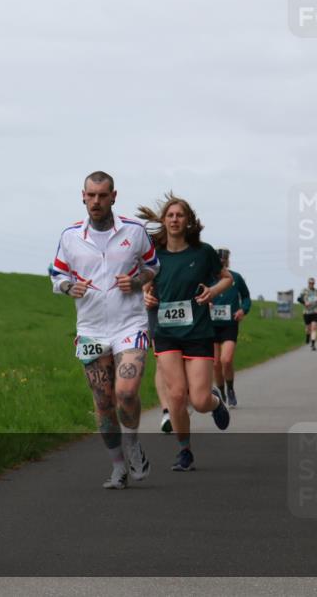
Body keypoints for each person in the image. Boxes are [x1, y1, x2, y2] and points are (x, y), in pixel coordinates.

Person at [50, 171, 159, 489]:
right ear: (82, 196)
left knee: (126, 392)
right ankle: (117, 468)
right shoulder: (70, 236)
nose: (96, 201)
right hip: (91, 328)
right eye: (91, 195)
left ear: (114, 196)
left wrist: (138, 280)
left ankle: (134, 444)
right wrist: (69, 286)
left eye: (102, 195)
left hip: (130, 324)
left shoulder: (135, 231)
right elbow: (56, 275)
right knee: (103, 402)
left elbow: (154, 265)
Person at [139, 193, 232, 472]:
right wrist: (147, 296)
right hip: (166, 332)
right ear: (164, 220)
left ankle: (216, 402)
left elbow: (226, 278)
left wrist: (212, 291)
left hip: (198, 332)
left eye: (180, 215)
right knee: (177, 395)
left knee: (199, 400)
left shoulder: (203, 253)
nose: (175, 219)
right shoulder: (154, 255)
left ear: (188, 220)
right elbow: (147, 283)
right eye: (170, 215)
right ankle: (184, 451)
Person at [210, 248, 251, 408]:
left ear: (228, 261)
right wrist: (206, 303)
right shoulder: (207, 278)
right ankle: (221, 393)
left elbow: (246, 297)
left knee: (226, 360)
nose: (221, 263)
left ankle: (231, 389)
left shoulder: (236, 278)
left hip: (229, 324)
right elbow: (196, 296)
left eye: (224, 261)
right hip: (211, 325)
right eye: (218, 261)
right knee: (215, 364)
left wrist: (243, 310)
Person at [297, 278, 317, 351]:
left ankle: (313, 344)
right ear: (308, 283)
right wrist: (305, 303)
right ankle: (308, 335)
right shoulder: (304, 290)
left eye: (313, 283)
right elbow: (298, 299)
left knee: (314, 327)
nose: (311, 284)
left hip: (315, 311)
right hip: (307, 312)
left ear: (314, 283)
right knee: (308, 328)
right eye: (310, 283)